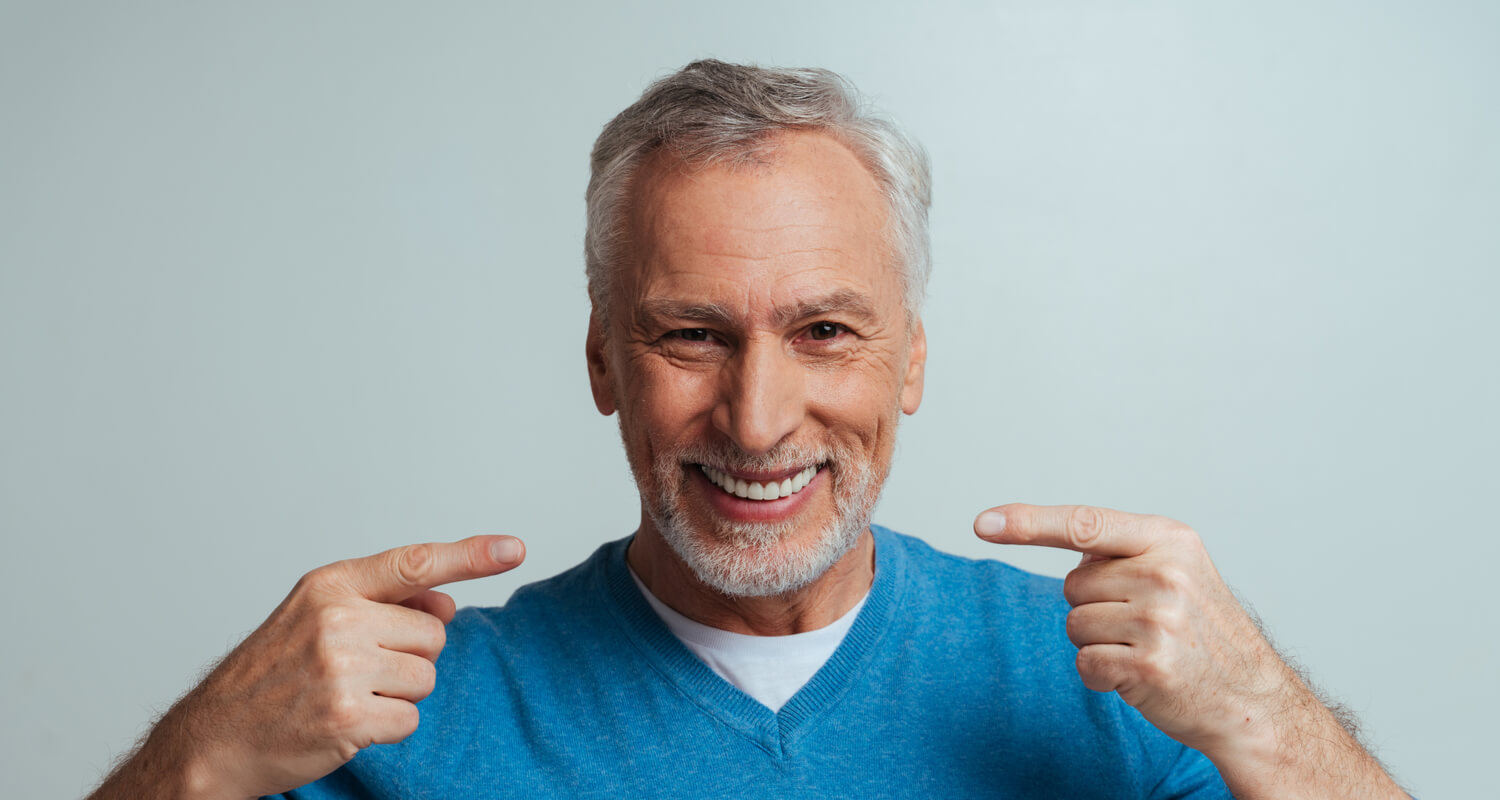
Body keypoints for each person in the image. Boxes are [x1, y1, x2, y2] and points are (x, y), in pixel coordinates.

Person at [90, 60, 1409, 799]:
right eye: (691, 336)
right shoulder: (404, 712)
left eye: (826, 332)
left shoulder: (1104, 684)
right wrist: (193, 758)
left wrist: (1263, 716)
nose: (760, 419)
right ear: (605, 363)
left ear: (912, 365)